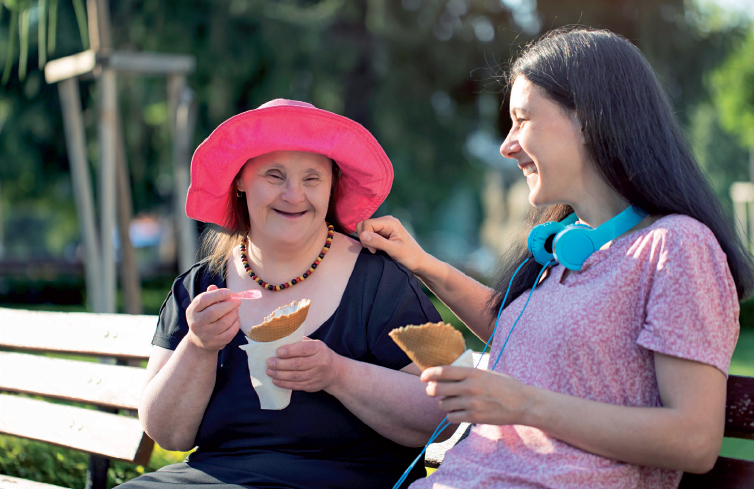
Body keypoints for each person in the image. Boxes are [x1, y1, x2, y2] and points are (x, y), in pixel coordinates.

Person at [357, 26, 754, 489]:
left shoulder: (677, 247)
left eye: (521, 120)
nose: (506, 146)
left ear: (589, 118)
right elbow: (523, 337)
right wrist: (422, 263)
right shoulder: (566, 249)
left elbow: (694, 441)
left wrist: (522, 404)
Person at [121, 99, 449, 489]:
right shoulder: (199, 285)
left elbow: (447, 411)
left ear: (332, 186)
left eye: (312, 179)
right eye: (274, 176)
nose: (294, 195)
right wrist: (198, 346)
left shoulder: (385, 283)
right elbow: (168, 434)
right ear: (241, 180)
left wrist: (338, 374)